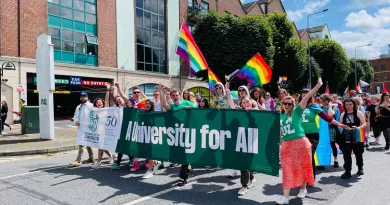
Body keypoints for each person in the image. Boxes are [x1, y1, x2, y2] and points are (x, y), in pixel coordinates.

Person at [275, 78, 322, 205]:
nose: (287, 105)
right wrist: (280, 145)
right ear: (281, 104)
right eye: (285, 103)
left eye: (290, 103)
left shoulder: (297, 112)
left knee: (302, 168)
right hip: (286, 145)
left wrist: (317, 86)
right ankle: (285, 197)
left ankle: (303, 188)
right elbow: (280, 133)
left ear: (293, 105)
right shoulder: (280, 117)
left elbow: (306, 97)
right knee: (287, 170)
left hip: (300, 143)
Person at [298, 89, 347, 179]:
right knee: (303, 156)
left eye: (307, 93)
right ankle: (304, 176)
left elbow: (326, 117)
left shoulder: (314, 106)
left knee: (309, 154)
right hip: (300, 135)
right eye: (303, 94)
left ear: (311, 95)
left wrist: (339, 124)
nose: (305, 95)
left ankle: (311, 177)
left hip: (313, 135)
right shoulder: (297, 107)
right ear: (300, 96)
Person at [158, 83, 196, 186]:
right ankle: (189, 166)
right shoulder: (171, 107)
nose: (175, 97)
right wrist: (162, 91)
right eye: (173, 95)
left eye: (176, 95)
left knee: (184, 155)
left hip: (186, 133)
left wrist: (190, 110)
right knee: (178, 155)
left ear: (180, 95)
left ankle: (182, 178)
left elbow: (197, 112)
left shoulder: (187, 103)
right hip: (175, 135)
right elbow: (163, 104)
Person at [226, 85, 258, 196]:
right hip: (241, 139)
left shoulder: (256, 110)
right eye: (243, 103)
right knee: (243, 162)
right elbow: (231, 105)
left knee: (246, 162)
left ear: (251, 102)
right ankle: (249, 180)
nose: (245, 104)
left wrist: (252, 110)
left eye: (247, 102)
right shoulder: (240, 111)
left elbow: (262, 115)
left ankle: (244, 185)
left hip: (252, 139)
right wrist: (228, 91)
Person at [338, 98, 367, 179]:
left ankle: (360, 168)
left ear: (354, 105)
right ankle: (348, 171)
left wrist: (358, 128)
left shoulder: (359, 113)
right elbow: (340, 124)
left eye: (350, 104)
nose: (348, 106)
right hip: (346, 136)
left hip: (357, 135)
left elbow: (364, 123)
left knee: (358, 153)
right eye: (346, 105)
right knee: (346, 155)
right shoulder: (343, 114)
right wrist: (343, 126)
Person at [91, 84, 115, 169]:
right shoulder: (94, 111)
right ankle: (111, 156)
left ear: (103, 103)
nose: (99, 103)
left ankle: (99, 162)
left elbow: (107, 100)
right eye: (97, 103)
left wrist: (107, 91)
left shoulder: (105, 109)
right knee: (101, 146)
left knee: (100, 147)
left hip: (106, 130)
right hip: (98, 131)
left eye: (100, 102)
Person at [111, 94, 136, 170]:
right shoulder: (117, 109)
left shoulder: (129, 105)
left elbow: (131, 102)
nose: (119, 101)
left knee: (124, 145)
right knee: (122, 145)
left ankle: (119, 163)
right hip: (121, 129)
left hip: (129, 128)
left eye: (119, 99)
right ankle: (131, 159)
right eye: (117, 101)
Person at [70, 92, 95, 167]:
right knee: (86, 143)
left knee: (83, 143)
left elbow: (94, 116)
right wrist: (75, 121)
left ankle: (78, 160)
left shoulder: (91, 106)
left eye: (84, 96)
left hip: (88, 128)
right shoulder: (78, 107)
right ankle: (91, 158)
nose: (82, 98)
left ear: (87, 97)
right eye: (81, 97)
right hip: (81, 128)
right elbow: (75, 116)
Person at [142, 99, 163, 179]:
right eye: (146, 103)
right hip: (144, 135)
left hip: (152, 135)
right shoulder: (142, 112)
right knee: (147, 153)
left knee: (150, 153)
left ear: (152, 105)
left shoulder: (154, 114)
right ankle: (156, 162)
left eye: (149, 104)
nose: (147, 105)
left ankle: (150, 171)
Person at [320, 94, 342, 168]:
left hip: (331, 128)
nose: (320, 102)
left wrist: (329, 106)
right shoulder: (320, 107)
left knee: (332, 144)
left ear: (327, 100)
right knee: (323, 144)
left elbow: (330, 114)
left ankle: (335, 160)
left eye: (322, 100)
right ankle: (322, 162)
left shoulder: (334, 107)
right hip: (322, 129)